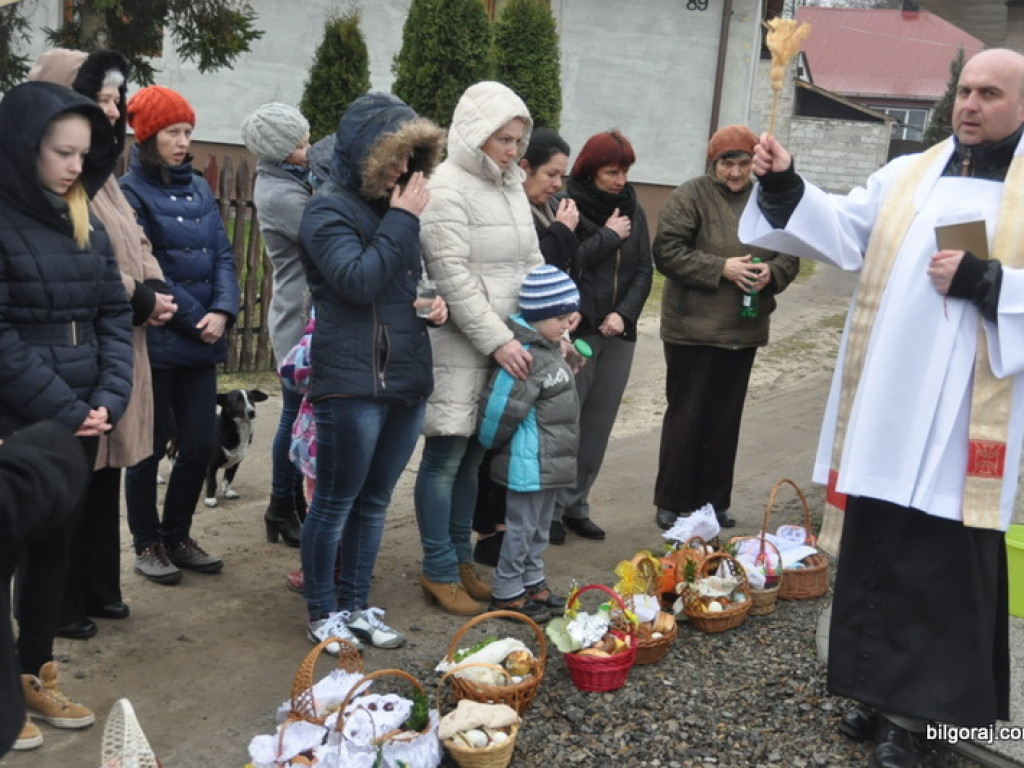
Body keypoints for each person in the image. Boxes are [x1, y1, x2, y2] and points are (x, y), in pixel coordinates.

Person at [738, 47, 1023, 768]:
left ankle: (925, 722)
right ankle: (873, 690)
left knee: (941, 570)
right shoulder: (911, 175)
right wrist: (785, 183)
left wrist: (992, 283)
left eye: (990, 93)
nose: (970, 104)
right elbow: (839, 230)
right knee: (879, 552)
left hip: (964, 423)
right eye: (965, 90)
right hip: (890, 412)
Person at [0, 81, 135, 752]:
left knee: (55, 548)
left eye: (84, 153)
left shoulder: (82, 213)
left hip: (83, 414)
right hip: (21, 418)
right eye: (62, 152)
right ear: (26, 148)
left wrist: (111, 395)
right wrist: (65, 407)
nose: (76, 166)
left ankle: (34, 673)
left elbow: (113, 310)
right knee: (6, 552)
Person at [28, 48, 178, 640]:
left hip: (118, 339)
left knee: (105, 470)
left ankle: (97, 585)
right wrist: (136, 297)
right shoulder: (48, 179)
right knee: (71, 476)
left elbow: (133, 238)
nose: (114, 111)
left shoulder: (103, 175)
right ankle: (56, 602)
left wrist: (157, 284)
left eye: (118, 100)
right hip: (75, 340)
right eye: (104, 99)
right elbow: (72, 253)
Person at [298, 92, 447, 653]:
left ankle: (357, 606)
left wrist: (431, 307)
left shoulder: (391, 210)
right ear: (365, 154)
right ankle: (322, 612)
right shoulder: (327, 209)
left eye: (411, 158)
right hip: (351, 380)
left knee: (375, 500)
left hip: (404, 375)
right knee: (335, 500)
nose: (403, 170)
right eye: (393, 157)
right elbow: (356, 281)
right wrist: (405, 218)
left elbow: (392, 288)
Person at [414, 81, 544, 616]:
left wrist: (553, 312)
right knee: (445, 455)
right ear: (474, 135)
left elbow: (531, 262)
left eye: (518, 140)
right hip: (461, 343)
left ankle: (462, 561)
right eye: (503, 140)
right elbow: (452, 277)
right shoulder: (445, 187)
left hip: (506, 340)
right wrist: (500, 340)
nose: (514, 151)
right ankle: (436, 568)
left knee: (472, 459)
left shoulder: (511, 186)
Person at [120, 86, 241, 584]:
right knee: (148, 447)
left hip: (202, 341)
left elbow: (223, 256)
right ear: (148, 136)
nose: (182, 141)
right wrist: (198, 319)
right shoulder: (131, 191)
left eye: (187, 131)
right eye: (172, 131)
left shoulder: (198, 188)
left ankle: (178, 535)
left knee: (197, 443)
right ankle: (147, 543)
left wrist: (224, 308)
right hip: (160, 340)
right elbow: (151, 268)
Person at [652, 125, 799, 531]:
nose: (736, 172)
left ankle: (713, 502)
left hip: (743, 329)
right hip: (692, 329)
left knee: (725, 418)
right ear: (712, 163)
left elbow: (791, 253)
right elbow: (667, 252)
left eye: (743, 163)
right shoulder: (689, 196)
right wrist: (721, 268)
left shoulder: (767, 198)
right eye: (727, 163)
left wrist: (773, 272)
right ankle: (672, 500)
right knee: (687, 415)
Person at [474, 127, 580, 561]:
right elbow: (531, 282)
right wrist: (560, 233)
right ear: (525, 170)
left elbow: (554, 284)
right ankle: (491, 537)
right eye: (551, 174)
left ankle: (516, 555)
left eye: (562, 177)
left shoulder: (545, 209)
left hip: (539, 337)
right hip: (507, 336)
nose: (557, 185)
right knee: (504, 454)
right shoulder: (525, 212)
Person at [554, 130, 652, 542]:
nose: (620, 180)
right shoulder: (567, 205)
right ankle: (551, 512)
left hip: (617, 333)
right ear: (590, 170)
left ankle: (578, 504)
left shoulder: (632, 207)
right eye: (612, 171)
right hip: (579, 333)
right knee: (565, 424)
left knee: (598, 425)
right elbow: (569, 263)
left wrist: (623, 315)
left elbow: (645, 269)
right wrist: (609, 236)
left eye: (625, 171)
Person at [478, 265, 580, 621]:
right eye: (561, 318)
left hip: (551, 459)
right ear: (537, 316)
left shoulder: (552, 350)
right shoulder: (525, 356)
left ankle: (532, 578)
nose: (568, 324)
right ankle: (506, 590)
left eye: (570, 317)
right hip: (529, 461)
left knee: (539, 526)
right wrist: (491, 445)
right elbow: (501, 409)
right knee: (520, 527)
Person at [241, 101, 314, 548]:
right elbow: (326, 231)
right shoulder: (281, 194)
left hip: (303, 315)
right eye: (302, 143)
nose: (309, 148)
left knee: (299, 415)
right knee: (293, 415)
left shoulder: (293, 177)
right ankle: (281, 506)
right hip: (297, 321)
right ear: (278, 151)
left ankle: (290, 506)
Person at [0, 421, 91, 756]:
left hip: (75, 423)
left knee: (53, 555)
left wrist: (98, 405)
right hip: (18, 414)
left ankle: (31, 679)